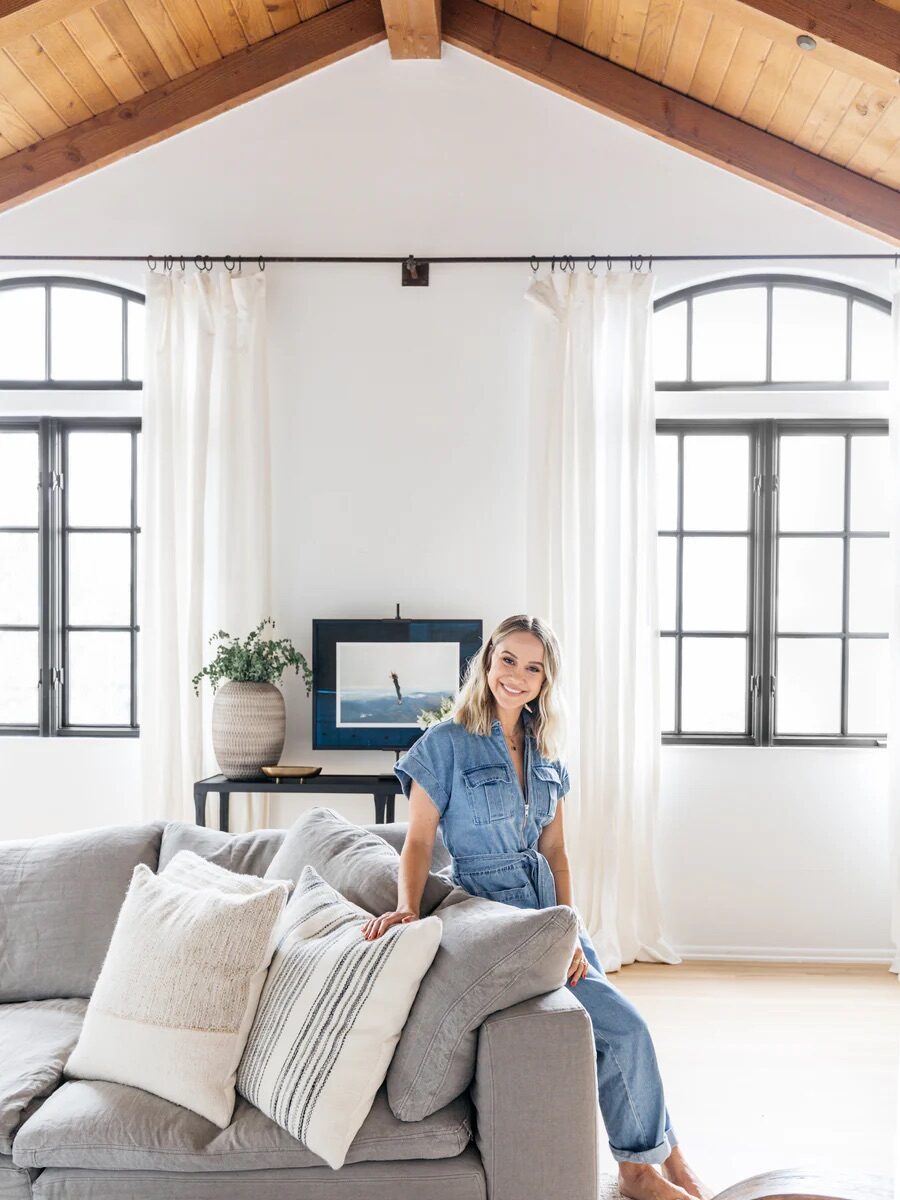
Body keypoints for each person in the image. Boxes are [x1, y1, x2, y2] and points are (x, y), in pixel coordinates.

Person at [361, 614, 712, 1200]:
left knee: (618, 1023)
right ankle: (638, 1171)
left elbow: (556, 851)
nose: (517, 677)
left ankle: (665, 1155)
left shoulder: (547, 751)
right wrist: (407, 908)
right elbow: (418, 839)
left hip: (549, 912)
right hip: (491, 913)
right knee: (626, 1027)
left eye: (533, 668)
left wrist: (571, 931)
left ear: (545, 681)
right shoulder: (444, 745)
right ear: (487, 662)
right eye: (508, 661)